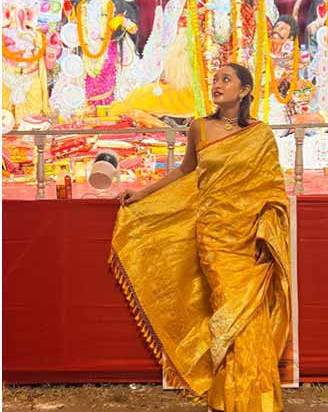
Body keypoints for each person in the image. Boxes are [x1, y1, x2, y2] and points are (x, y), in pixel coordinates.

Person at [112, 63, 291, 412]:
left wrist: (264, 233)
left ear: (244, 90)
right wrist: (143, 194)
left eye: (226, 79)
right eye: (215, 80)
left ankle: (246, 399)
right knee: (229, 310)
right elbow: (184, 172)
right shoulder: (199, 128)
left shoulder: (260, 134)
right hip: (213, 234)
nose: (217, 84)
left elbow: (272, 189)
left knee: (250, 316)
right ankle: (236, 399)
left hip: (248, 237)